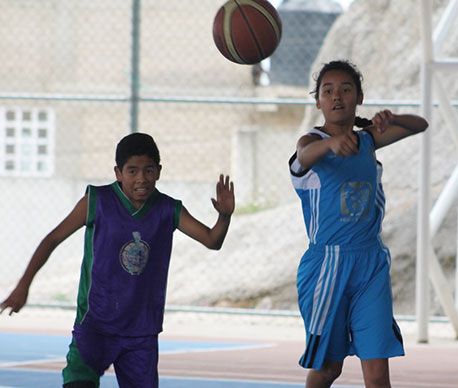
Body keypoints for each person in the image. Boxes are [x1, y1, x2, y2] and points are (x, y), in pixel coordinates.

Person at [0, 132, 235, 388]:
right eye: (132, 171)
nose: (141, 178)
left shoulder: (169, 209)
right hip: (95, 324)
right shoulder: (97, 201)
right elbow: (52, 238)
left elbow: (212, 241)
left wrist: (224, 216)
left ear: (158, 171)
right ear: (118, 172)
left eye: (148, 170)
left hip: (141, 332)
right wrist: (23, 286)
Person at [288, 60, 428, 388]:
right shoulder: (311, 144)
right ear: (318, 101)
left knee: (377, 374)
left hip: (370, 265)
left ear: (359, 97)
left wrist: (394, 119)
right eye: (328, 91)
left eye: (345, 90)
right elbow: (304, 155)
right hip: (327, 267)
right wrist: (331, 144)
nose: (337, 97)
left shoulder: (367, 142)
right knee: (329, 368)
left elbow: (420, 124)